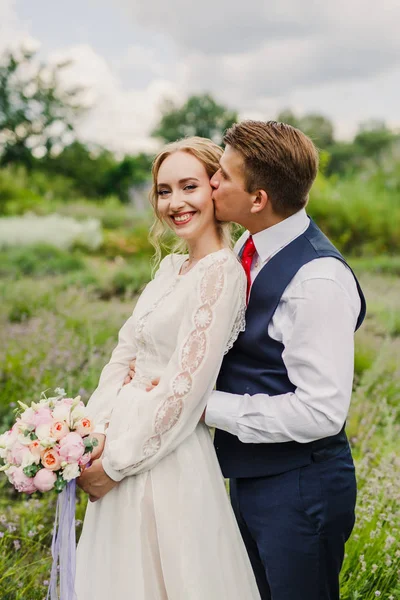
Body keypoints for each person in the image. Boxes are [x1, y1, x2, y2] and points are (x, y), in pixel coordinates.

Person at [127, 121, 366, 600]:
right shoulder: (246, 249)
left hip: (301, 489)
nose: (211, 182)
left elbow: (320, 411)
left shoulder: (316, 280)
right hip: (249, 474)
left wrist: (199, 403)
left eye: (222, 177)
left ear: (257, 199)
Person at [75, 137, 261, 600]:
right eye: (163, 191)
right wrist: (92, 433)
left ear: (215, 189)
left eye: (189, 186)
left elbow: (185, 388)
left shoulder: (221, 273)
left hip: (166, 459)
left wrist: (114, 467)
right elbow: (124, 354)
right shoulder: (170, 268)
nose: (175, 203)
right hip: (119, 440)